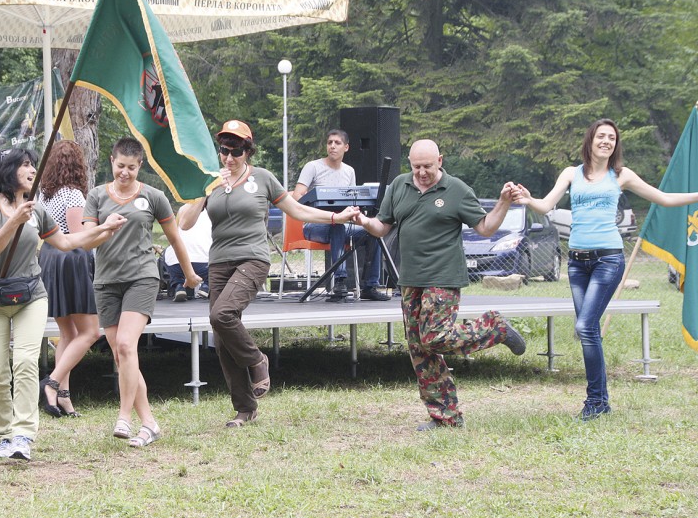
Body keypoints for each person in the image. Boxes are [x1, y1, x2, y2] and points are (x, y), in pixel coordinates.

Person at [178, 120, 360, 429]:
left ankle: (257, 361)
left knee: (222, 314)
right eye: (224, 150)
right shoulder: (210, 180)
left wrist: (335, 216)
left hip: (253, 257)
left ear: (247, 150)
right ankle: (245, 409)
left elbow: (296, 210)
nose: (229, 157)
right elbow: (184, 223)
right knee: (222, 338)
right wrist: (202, 191)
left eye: (236, 150)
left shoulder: (262, 178)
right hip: (219, 261)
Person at [514, 118, 698, 421]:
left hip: (608, 260)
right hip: (576, 262)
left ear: (616, 144)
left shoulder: (621, 175)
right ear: (591, 140)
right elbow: (546, 206)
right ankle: (600, 401)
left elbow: (663, 199)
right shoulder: (571, 174)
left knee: (585, 327)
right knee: (589, 331)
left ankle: (595, 401)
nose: (606, 142)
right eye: (601, 136)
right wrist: (527, 199)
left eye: (611, 138)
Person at [354, 139, 526, 430]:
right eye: (416, 166)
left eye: (427, 167)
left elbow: (485, 228)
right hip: (410, 280)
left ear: (440, 161)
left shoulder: (457, 190)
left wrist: (504, 202)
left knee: (433, 337)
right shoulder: (399, 186)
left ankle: (493, 327)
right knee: (420, 350)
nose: (421, 173)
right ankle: (446, 417)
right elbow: (382, 227)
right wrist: (362, 220)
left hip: (443, 277)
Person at [0, 148, 126, 461]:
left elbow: (68, 242)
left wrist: (104, 229)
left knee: (26, 362)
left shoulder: (37, 210)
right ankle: (3, 435)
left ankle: (23, 435)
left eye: (33, 164)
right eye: (26, 165)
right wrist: (14, 220)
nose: (33, 170)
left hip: (31, 294)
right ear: (7, 171)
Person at [83, 137, 201, 448]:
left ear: (140, 166)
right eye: (120, 166)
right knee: (123, 357)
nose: (125, 173)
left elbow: (175, 237)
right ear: (112, 161)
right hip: (106, 281)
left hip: (142, 277)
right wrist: (105, 227)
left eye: (132, 168)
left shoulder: (153, 196)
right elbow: (85, 242)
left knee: (125, 344)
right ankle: (149, 423)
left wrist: (188, 274)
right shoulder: (96, 196)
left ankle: (124, 416)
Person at [37, 139, 99, 419]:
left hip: (49, 258)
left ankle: (64, 396)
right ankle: (51, 383)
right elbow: (78, 238)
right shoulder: (73, 195)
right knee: (90, 332)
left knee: (68, 333)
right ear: (78, 165)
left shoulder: (44, 195)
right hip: (70, 260)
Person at [292, 129, 389, 302]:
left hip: (341, 225)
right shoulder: (313, 167)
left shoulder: (349, 171)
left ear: (346, 147)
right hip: (313, 227)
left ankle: (370, 285)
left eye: (337, 143)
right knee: (335, 224)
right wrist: (321, 209)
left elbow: (351, 200)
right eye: (329, 142)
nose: (332, 146)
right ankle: (340, 282)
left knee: (371, 231)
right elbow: (297, 197)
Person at [165, 208, 211, 301]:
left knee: (168, 255)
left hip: (177, 262)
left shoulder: (182, 209)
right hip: (203, 262)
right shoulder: (213, 209)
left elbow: (173, 234)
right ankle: (206, 285)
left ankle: (179, 286)